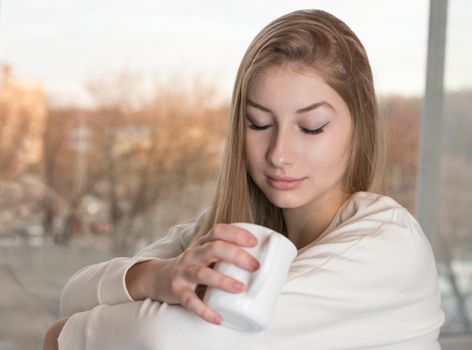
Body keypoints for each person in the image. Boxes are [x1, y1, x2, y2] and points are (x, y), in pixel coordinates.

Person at [43, 8, 445, 350]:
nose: (279, 154)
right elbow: (73, 294)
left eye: (311, 127)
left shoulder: (387, 246)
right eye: (259, 123)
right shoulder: (224, 232)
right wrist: (158, 276)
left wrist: (65, 336)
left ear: (359, 126)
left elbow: (166, 337)